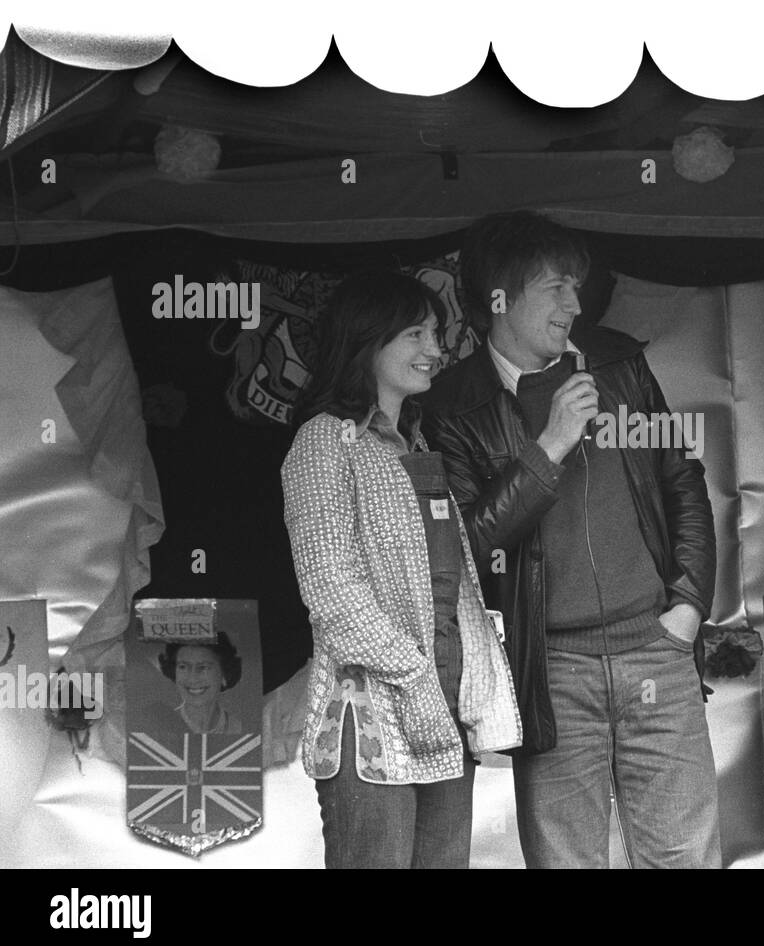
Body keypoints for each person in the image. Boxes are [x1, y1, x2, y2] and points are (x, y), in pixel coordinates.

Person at [423, 210, 720, 868]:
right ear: (501, 297)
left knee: (685, 857)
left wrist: (688, 607)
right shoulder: (455, 405)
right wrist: (549, 446)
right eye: (557, 287)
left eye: (576, 286)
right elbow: (468, 549)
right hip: (549, 667)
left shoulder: (617, 362)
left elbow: (681, 481)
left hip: (656, 648)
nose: (575, 303)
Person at [281, 270, 521, 869]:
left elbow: (455, 591)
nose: (434, 351)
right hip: (372, 713)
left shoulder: (416, 446)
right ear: (367, 340)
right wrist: (415, 678)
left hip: (445, 707)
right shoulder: (324, 443)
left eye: (436, 334)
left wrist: (472, 682)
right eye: (415, 334)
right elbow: (331, 589)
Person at [151, 633, 244, 734]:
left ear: (224, 673)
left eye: (203, 667)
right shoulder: (157, 726)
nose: (192, 678)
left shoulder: (239, 728)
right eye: (183, 667)